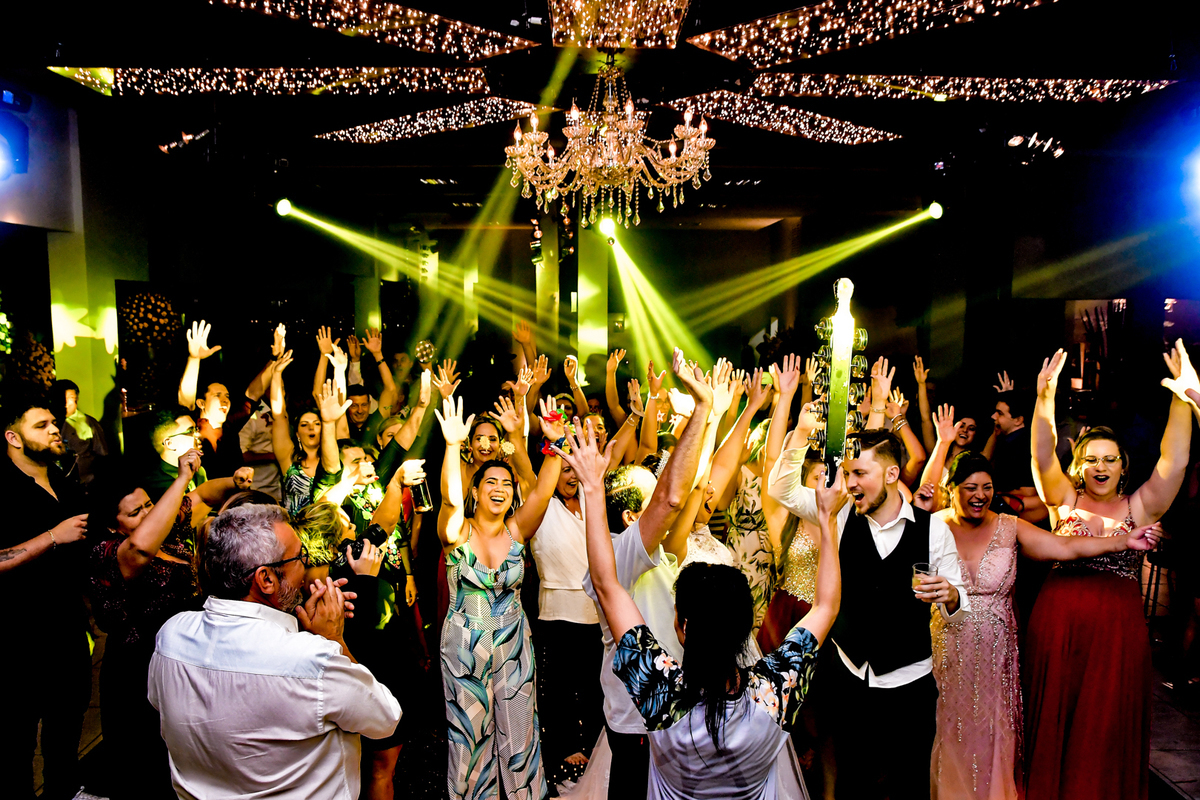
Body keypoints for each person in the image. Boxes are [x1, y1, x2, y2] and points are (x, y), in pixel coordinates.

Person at [556, 416, 845, 800]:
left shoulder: (661, 695)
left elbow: (606, 585)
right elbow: (826, 607)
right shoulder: (773, 691)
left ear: (682, 626)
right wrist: (827, 519)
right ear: (746, 628)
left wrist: (592, 488)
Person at [932, 451, 1160, 800]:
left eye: (987, 487)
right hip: (946, 650)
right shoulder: (931, 526)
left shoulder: (1009, 526)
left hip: (996, 655)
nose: (980, 495)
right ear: (951, 488)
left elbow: (1064, 545)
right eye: (970, 487)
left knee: (993, 734)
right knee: (945, 728)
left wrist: (1121, 541)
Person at [1023, 343, 1196, 800]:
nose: (1100, 466)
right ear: (1079, 466)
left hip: (1116, 633)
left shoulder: (1140, 507)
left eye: (1110, 459)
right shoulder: (1064, 499)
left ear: (1123, 467)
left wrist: (1182, 398)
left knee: (1104, 725)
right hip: (1058, 625)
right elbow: (1042, 455)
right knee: (1056, 720)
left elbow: (1173, 461)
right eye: (1091, 459)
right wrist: (1044, 398)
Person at [769, 426, 971, 800]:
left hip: (910, 685)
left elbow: (958, 611)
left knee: (908, 787)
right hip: (849, 679)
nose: (850, 483)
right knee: (852, 786)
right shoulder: (840, 514)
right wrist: (801, 432)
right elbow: (781, 490)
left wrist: (952, 595)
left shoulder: (933, 530)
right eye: (848, 473)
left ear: (891, 474)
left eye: (860, 473)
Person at [148, 504, 401, 800]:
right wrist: (333, 639)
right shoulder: (311, 660)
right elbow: (385, 718)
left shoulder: (171, 635)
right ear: (266, 579)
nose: (306, 566)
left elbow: (162, 703)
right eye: (300, 557)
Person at [86, 452, 254, 799]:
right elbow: (140, 550)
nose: (149, 514)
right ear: (113, 525)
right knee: (145, 764)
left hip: (182, 660)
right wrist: (180, 480)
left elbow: (203, 494)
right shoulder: (108, 551)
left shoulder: (167, 529)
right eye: (136, 512)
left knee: (184, 756)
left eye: (150, 504)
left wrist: (233, 482)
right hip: (138, 668)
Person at [434, 394, 568, 800]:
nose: (500, 488)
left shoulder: (517, 530)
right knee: (469, 738)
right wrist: (453, 445)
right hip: (464, 644)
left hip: (513, 641)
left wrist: (555, 442)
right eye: (490, 482)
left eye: (506, 484)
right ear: (476, 491)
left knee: (521, 733)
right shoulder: (456, 531)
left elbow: (543, 492)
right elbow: (449, 499)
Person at [0, 395, 93, 800]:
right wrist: (53, 537)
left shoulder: (64, 482)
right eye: (41, 425)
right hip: (16, 635)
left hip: (67, 626)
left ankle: (65, 792)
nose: (55, 429)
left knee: (67, 722)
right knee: (15, 739)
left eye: (54, 422)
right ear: (13, 438)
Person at [53, 378, 110, 489]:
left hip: (85, 484)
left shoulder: (88, 423)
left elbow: (103, 455)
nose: (65, 403)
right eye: (61, 398)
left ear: (77, 399)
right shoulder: (50, 423)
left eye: (70, 398)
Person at [142, 411, 206, 501]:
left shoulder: (199, 472)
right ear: (169, 443)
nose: (198, 435)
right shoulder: (156, 485)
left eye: (196, 429)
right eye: (190, 431)